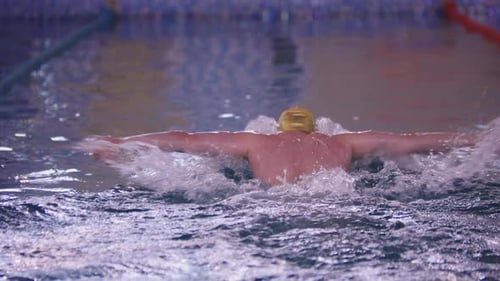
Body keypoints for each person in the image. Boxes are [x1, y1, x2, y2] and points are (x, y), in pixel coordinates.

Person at [85, 107, 478, 186]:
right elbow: (410, 142)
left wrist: (122, 142)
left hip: (267, 206)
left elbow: (184, 142)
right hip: (332, 203)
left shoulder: (255, 141)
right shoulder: (342, 141)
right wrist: (476, 141)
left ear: (278, 128)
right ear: (314, 129)